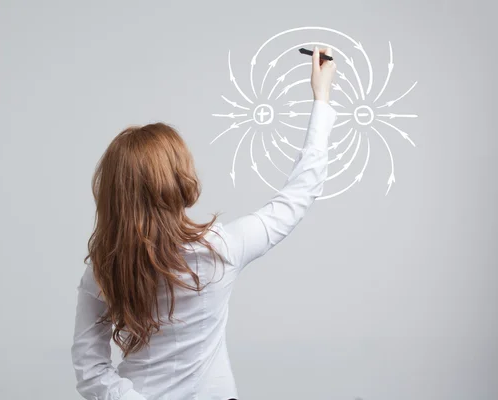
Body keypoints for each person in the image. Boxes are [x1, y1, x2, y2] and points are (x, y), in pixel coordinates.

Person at [71, 46, 337, 400]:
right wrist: (321, 99)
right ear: (178, 179)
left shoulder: (104, 268)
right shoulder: (220, 249)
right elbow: (299, 193)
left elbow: (90, 371)